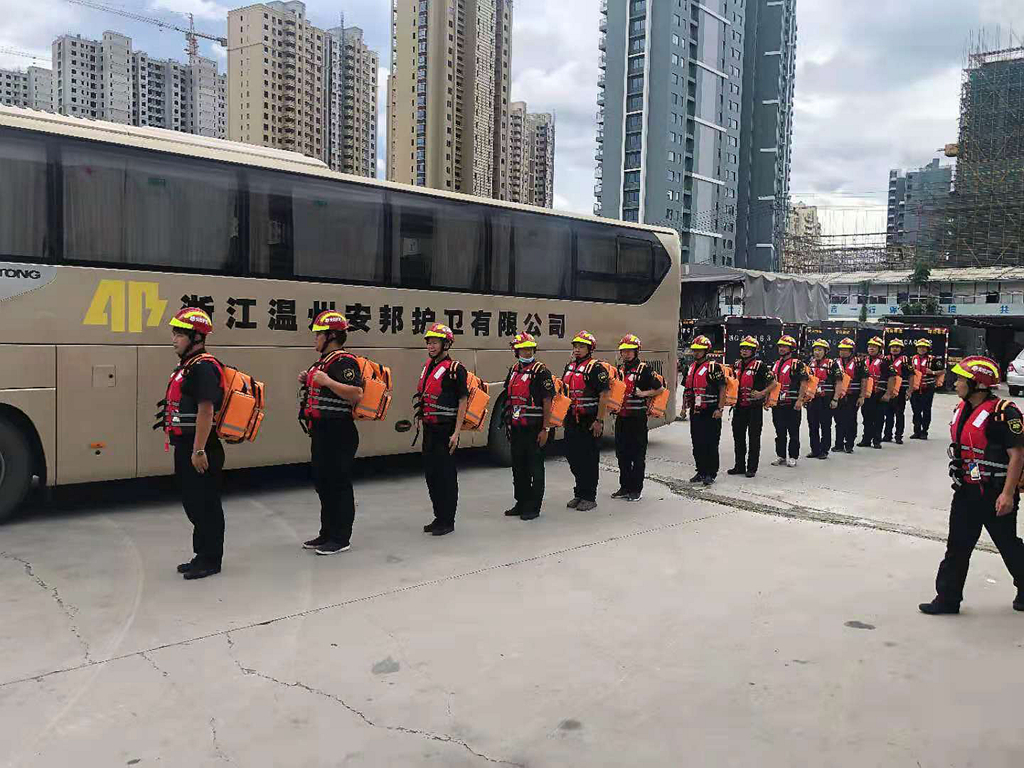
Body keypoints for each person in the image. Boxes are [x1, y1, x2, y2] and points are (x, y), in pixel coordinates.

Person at [919, 355, 1024, 615]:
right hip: (966, 490)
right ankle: (947, 599)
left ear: (978, 384)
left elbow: (1017, 455)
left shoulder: (1004, 413)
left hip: (995, 492)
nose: (955, 383)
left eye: (960, 379)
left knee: (1008, 545)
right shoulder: (963, 409)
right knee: (957, 546)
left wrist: (1007, 495)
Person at [160, 308, 226, 580]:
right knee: (193, 502)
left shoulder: (204, 367)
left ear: (196, 337)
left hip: (202, 447)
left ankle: (211, 560)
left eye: (179, 334)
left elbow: (206, 410)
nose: (174, 339)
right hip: (187, 445)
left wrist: (199, 450)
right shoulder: (189, 366)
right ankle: (201, 555)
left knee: (205, 504)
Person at [299, 310, 364, 555]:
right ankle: (326, 533)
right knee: (323, 483)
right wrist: (308, 379)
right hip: (321, 431)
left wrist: (327, 381)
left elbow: (356, 393)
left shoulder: (344, 361)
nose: (315, 339)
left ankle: (340, 538)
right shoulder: (323, 361)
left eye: (318, 334)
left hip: (339, 431)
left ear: (332, 336)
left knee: (338, 484)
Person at [415, 323, 469, 536]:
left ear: (446, 344)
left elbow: (463, 400)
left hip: (446, 430)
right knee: (432, 475)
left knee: (446, 476)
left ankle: (448, 521)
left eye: (435, 342)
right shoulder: (428, 366)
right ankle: (438, 517)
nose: (431, 346)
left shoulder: (455, 369)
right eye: (429, 342)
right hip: (429, 429)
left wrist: (456, 432)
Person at [503, 331, 554, 521]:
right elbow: (509, 398)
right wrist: (508, 423)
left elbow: (547, 401)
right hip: (517, 427)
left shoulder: (541, 372)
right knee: (518, 467)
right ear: (516, 351)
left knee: (535, 468)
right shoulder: (514, 370)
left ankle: (533, 507)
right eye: (523, 349)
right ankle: (521, 502)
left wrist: (545, 429)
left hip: (534, 428)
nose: (527, 352)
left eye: (530, 349)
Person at [614, 333, 665, 501]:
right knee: (622, 454)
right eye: (624, 351)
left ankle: (636, 490)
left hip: (637, 419)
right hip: (621, 418)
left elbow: (660, 389)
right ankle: (624, 487)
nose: (626, 354)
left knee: (637, 455)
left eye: (630, 351)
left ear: (636, 351)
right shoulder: (620, 370)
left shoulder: (644, 369)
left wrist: (643, 393)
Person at [563, 330, 611, 510]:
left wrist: (599, 420)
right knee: (572, 455)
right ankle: (579, 492)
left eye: (581, 347)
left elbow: (604, 395)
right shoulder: (569, 366)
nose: (577, 349)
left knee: (589, 459)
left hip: (589, 420)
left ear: (590, 349)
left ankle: (589, 496)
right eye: (575, 346)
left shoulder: (596, 369)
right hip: (572, 418)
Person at [727, 335, 775, 478]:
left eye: (748, 349)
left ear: (754, 351)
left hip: (754, 408)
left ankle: (752, 468)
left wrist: (762, 393)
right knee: (738, 438)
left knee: (754, 438)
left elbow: (773, 383)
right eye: (743, 348)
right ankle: (739, 466)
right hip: (739, 407)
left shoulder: (760, 366)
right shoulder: (737, 365)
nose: (744, 351)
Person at [683, 335, 726, 486]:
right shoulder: (691, 367)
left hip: (711, 411)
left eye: (700, 350)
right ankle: (701, 471)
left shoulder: (714, 367)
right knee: (697, 443)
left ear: (706, 351)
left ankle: (711, 473)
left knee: (711, 443)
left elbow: (722, 388)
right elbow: (686, 389)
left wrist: (720, 408)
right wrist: (683, 408)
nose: (696, 352)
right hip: (695, 412)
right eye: (695, 350)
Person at [770, 335, 808, 467]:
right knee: (779, 431)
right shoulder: (776, 363)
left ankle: (793, 456)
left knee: (793, 431)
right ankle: (781, 455)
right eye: (780, 346)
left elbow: (804, 383)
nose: (781, 349)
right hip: (777, 403)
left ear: (791, 348)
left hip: (792, 403)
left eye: (784, 346)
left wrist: (800, 400)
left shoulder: (797, 364)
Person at [806, 339, 844, 460]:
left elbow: (839, 382)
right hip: (812, 399)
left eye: (820, 350)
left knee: (825, 425)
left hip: (826, 399)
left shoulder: (832, 364)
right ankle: (815, 450)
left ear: (826, 351)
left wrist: (835, 399)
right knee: (812, 425)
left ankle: (824, 450)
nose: (817, 352)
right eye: (815, 350)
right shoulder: (810, 364)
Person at [833, 337, 870, 454]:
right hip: (839, 396)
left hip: (853, 396)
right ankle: (838, 444)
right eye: (841, 349)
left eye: (846, 349)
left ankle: (849, 444)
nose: (843, 352)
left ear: (851, 351)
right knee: (839, 420)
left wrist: (862, 396)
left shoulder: (859, 362)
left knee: (851, 420)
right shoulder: (835, 362)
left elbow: (864, 380)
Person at [858, 337, 893, 450]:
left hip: (879, 394)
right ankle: (866, 439)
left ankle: (877, 440)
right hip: (867, 394)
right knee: (866, 417)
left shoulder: (885, 361)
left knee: (879, 418)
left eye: (874, 347)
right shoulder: (864, 360)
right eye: (870, 346)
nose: (871, 348)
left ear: (879, 348)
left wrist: (888, 393)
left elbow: (892, 377)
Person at [910, 338, 944, 440]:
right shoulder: (912, 359)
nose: (922, 349)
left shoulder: (933, 360)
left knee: (926, 410)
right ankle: (916, 431)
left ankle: (924, 431)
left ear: (928, 349)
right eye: (920, 347)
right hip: (915, 388)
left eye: (924, 347)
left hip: (928, 388)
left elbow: (943, 371)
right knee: (916, 410)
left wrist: (932, 372)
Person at [883, 338, 910, 444]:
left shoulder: (905, 360)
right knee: (888, 413)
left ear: (901, 349)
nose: (895, 349)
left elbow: (912, 375)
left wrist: (909, 391)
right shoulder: (885, 359)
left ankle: (898, 436)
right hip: (888, 389)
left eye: (897, 347)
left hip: (901, 390)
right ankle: (887, 435)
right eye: (893, 347)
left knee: (899, 413)